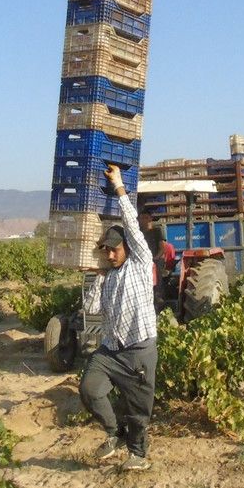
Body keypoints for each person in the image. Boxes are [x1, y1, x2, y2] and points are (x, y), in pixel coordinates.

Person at [78, 164, 157, 471]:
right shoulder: (108, 277)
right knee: (89, 389)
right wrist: (97, 277)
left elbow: (133, 228)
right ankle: (114, 432)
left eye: (114, 250)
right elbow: (91, 309)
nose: (110, 255)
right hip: (111, 350)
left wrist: (119, 187)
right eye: (106, 251)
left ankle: (138, 455)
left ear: (127, 248)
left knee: (138, 409)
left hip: (138, 351)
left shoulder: (140, 263)